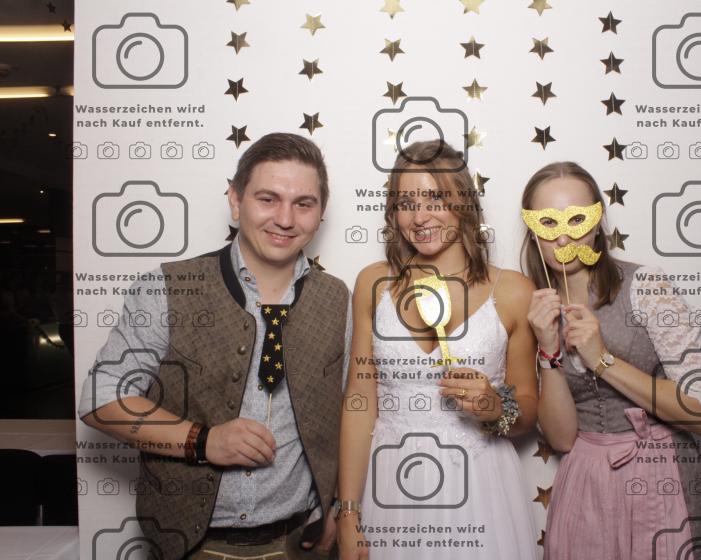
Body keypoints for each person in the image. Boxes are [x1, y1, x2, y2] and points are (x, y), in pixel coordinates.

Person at [79, 133, 351, 560]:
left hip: (302, 542)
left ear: (320, 214)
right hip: (192, 545)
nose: (285, 219)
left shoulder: (337, 299)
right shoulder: (167, 287)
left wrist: (339, 506)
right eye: (268, 199)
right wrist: (202, 441)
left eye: (303, 204)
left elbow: (347, 412)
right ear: (235, 199)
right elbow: (101, 400)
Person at [336, 140, 539, 560]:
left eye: (435, 199)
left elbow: (528, 411)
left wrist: (494, 406)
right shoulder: (373, 284)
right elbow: (359, 402)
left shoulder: (514, 290)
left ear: (464, 202)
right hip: (390, 483)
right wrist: (349, 511)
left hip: (480, 485)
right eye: (406, 203)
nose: (420, 216)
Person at [521, 162, 701, 560]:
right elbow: (561, 440)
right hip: (587, 485)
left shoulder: (646, 286)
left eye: (577, 219)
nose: (563, 236)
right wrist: (548, 351)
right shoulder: (534, 309)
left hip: (662, 475)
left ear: (597, 223)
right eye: (547, 223)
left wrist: (602, 359)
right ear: (532, 232)